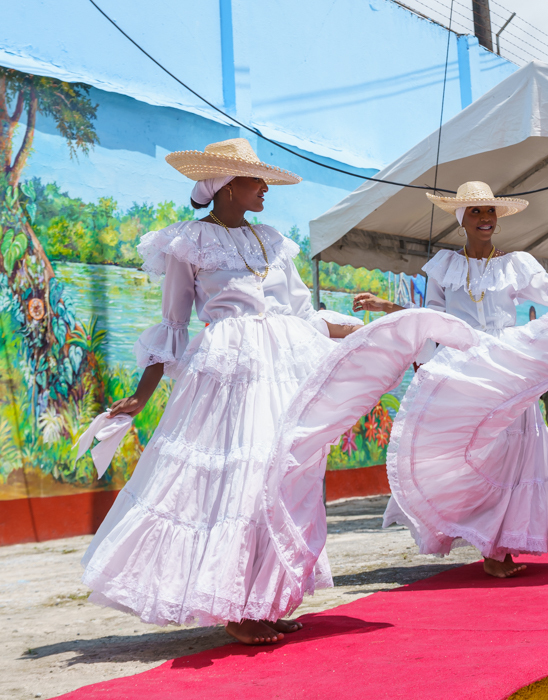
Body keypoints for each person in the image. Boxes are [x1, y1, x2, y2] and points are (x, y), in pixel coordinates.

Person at [79, 138, 364, 645]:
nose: (264, 190)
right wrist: (142, 396)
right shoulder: (187, 244)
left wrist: (366, 330)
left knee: (280, 478)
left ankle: (265, 598)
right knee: (242, 479)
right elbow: (172, 324)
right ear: (226, 186)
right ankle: (236, 607)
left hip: (282, 367)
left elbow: (303, 313)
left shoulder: (273, 241)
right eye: (256, 181)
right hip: (229, 372)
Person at [353, 181, 548, 577]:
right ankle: (487, 542)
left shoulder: (516, 265)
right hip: (467, 368)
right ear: (461, 219)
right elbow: (435, 318)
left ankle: (501, 546)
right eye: (475, 211)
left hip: (508, 365)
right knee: (476, 455)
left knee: (518, 454)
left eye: (490, 211)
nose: (485, 218)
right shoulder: (443, 266)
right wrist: (423, 356)